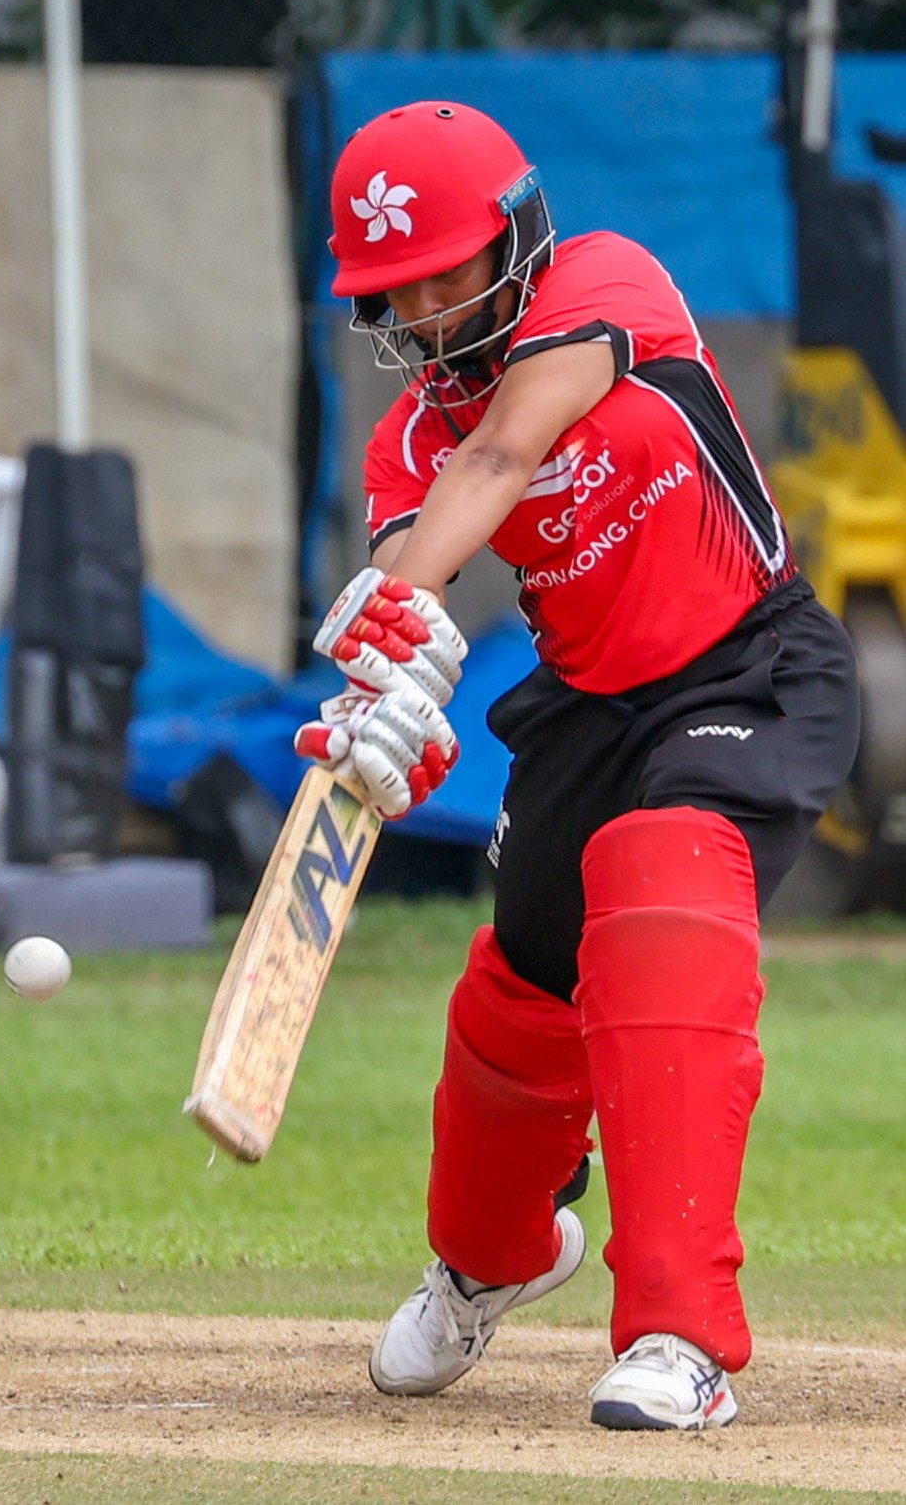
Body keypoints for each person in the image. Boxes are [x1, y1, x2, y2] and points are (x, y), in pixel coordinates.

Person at [297, 102, 859, 1430]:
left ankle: (677, 1337)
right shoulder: (403, 449)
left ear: (517, 233)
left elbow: (503, 451)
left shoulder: (607, 283)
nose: (431, 311)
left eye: (448, 268)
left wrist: (395, 601)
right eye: (397, 290)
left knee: (656, 884)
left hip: (748, 667)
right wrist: (390, 695)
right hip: (583, 710)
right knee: (522, 985)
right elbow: (407, 575)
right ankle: (491, 1261)